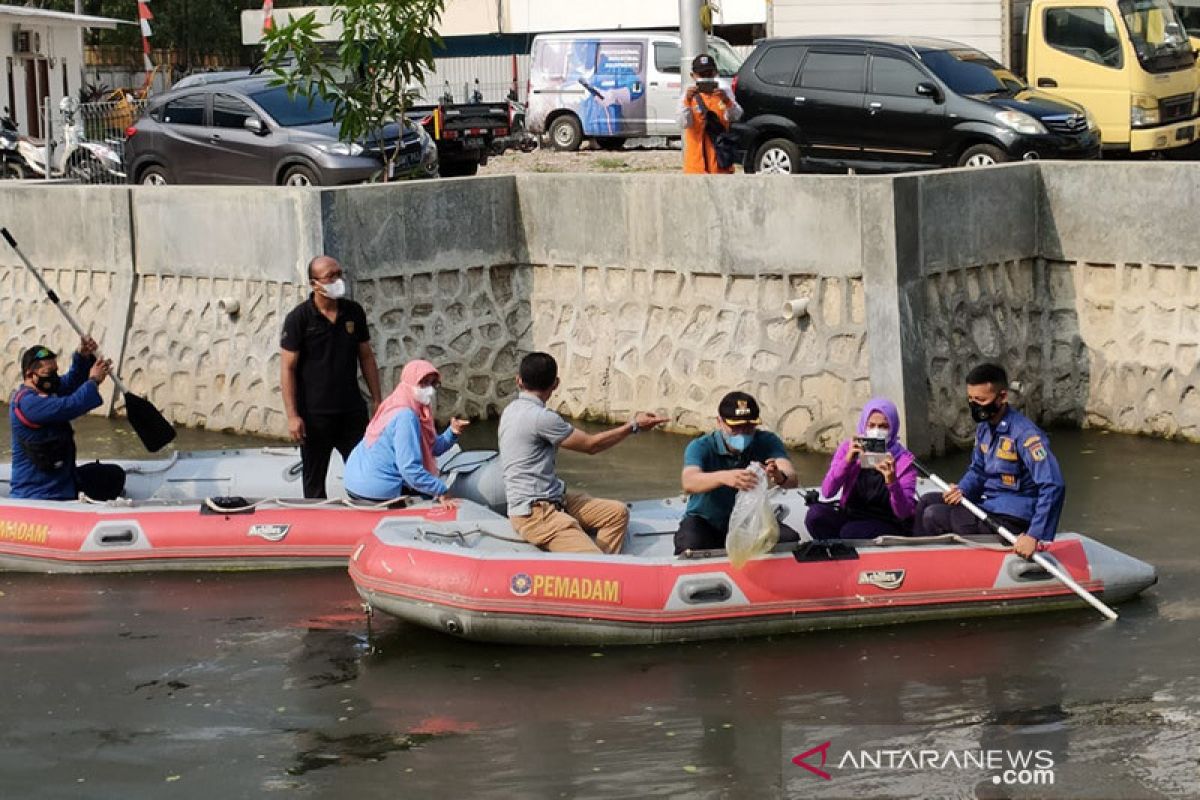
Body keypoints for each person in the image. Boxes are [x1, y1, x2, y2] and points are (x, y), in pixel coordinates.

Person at [499, 352, 668, 554]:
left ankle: (604, 568)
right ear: (556, 384)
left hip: (555, 499)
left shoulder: (510, 410)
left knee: (617, 513)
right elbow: (591, 445)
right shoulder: (542, 418)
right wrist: (633, 426)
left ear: (518, 380)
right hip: (535, 514)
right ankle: (600, 568)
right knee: (595, 563)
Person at [913, 364, 1066, 560]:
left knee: (934, 515)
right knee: (926, 501)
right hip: (987, 504)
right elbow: (978, 470)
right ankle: (914, 555)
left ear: (1002, 397)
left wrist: (1034, 535)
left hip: (1011, 516)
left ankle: (930, 563)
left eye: (981, 400)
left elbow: (1053, 484)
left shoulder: (1026, 435)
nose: (975, 406)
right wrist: (962, 489)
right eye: (971, 400)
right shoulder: (984, 429)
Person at [281, 255, 382, 498]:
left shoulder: (353, 312)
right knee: (314, 482)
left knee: (367, 474)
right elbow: (288, 368)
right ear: (315, 283)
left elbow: (366, 356)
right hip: (315, 417)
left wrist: (378, 400)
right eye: (330, 276)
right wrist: (293, 415)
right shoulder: (299, 319)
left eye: (339, 273)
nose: (338, 280)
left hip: (351, 411)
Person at [674, 391, 801, 555]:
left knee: (789, 540)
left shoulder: (766, 441)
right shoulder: (701, 446)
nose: (742, 433)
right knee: (690, 544)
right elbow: (689, 482)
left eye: (749, 427)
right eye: (735, 427)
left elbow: (791, 477)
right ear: (719, 422)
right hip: (706, 522)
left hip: (750, 521)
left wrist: (779, 476)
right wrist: (724, 477)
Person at [9, 337, 125, 501]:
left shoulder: (48, 389)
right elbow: (70, 405)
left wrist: (82, 356)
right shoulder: (28, 403)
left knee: (113, 476)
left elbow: (71, 382)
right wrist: (93, 381)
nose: (54, 377)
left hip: (63, 480)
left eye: (55, 371)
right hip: (38, 492)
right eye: (49, 373)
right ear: (30, 374)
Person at [343, 360, 468, 505]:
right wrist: (442, 491)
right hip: (375, 488)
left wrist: (452, 432)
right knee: (428, 495)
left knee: (425, 485)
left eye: (433, 383)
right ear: (410, 383)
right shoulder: (406, 416)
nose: (430, 390)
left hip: (354, 480)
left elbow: (432, 448)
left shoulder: (396, 403)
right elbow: (409, 469)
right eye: (424, 383)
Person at [804, 398, 917, 539]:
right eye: (872, 425)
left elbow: (904, 512)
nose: (877, 431)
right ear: (864, 425)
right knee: (815, 516)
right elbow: (827, 492)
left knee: (851, 532)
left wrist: (892, 481)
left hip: (886, 521)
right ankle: (838, 552)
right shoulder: (848, 448)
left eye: (883, 426)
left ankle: (848, 547)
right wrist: (847, 461)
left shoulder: (904, 461)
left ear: (893, 428)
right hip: (851, 514)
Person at [678, 53, 742, 175]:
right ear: (693, 76)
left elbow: (737, 116)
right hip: (696, 166)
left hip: (720, 164)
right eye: (702, 75)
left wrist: (726, 101)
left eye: (709, 74)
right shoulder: (687, 97)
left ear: (715, 74)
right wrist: (687, 101)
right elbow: (683, 123)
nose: (706, 78)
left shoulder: (724, 93)